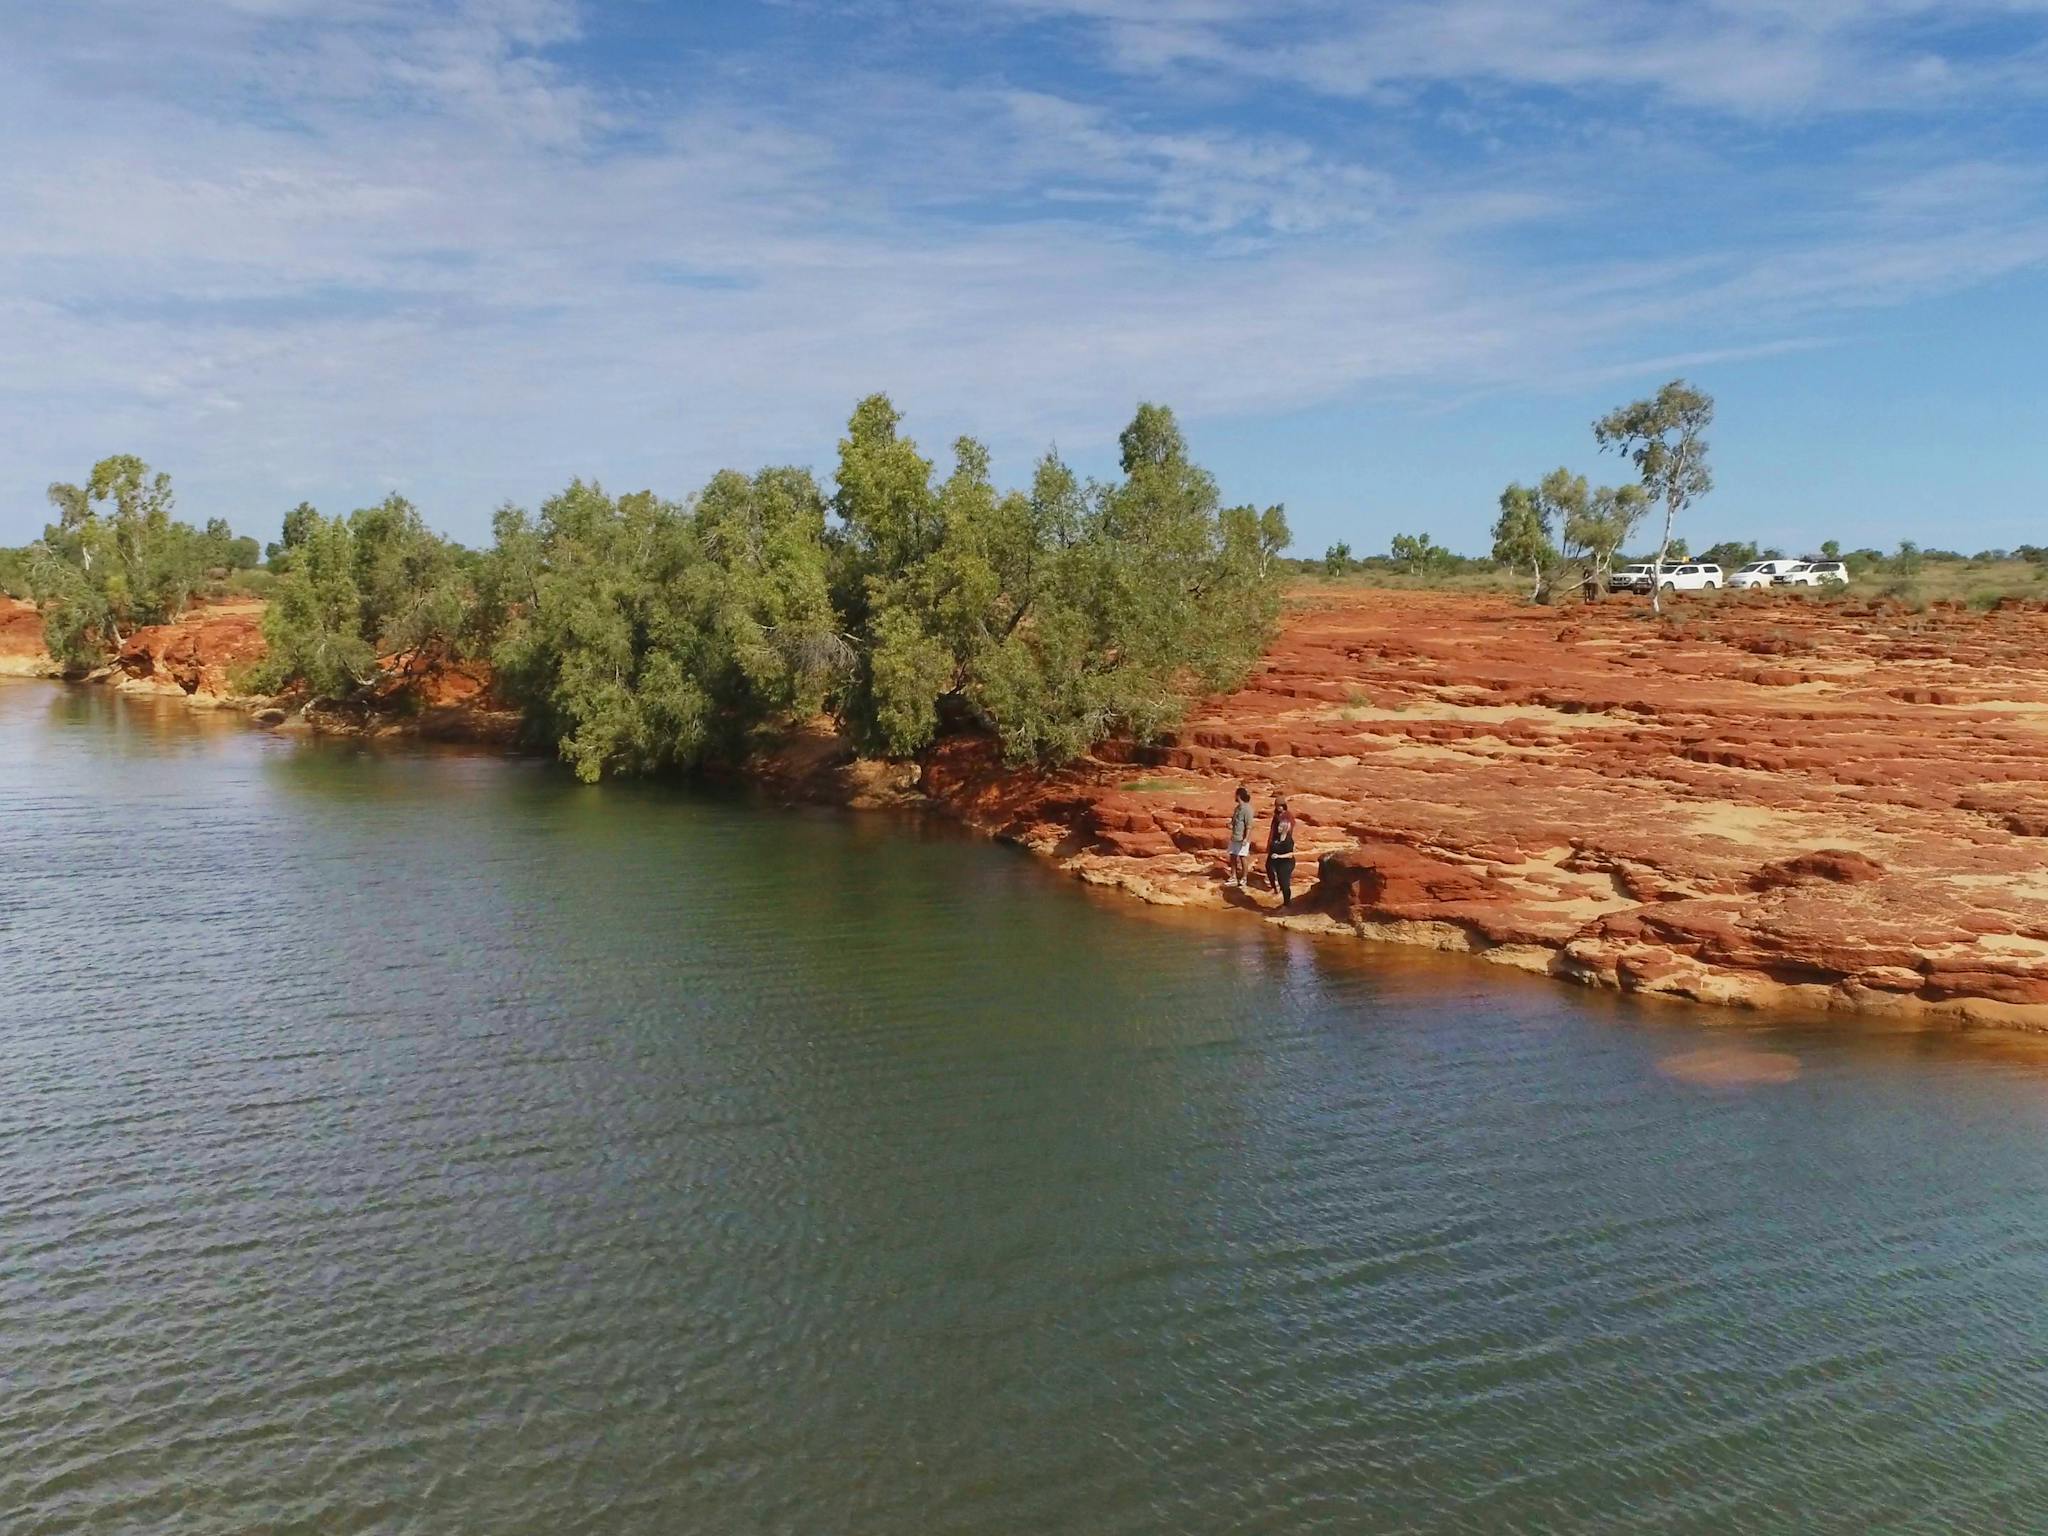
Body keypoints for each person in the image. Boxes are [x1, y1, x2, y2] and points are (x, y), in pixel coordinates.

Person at [1265, 798, 1296, 908]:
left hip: (1285, 858)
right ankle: (1275, 886)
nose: (1278, 807)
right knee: (1268, 866)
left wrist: (1279, 855)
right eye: (1277, 805)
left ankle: (1287, 902)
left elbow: (1291, 853)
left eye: (1280, 805)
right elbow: (1273, 830)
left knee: (1284, 880)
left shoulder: (1288, 817)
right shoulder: (1276, 816)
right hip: (1276, 846)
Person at [1227, 786, 1254, 888]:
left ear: (1239, 796)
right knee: (1233, 856)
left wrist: (1246, 839)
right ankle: (1233, 876)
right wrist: (1230, 825)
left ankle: (1244, 878)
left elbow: (1249, 826)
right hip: (1235, 836)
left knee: (1243, 857)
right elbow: (1234, 822)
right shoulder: (1237, 808)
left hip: (1242, 838)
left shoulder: (1248, 809)